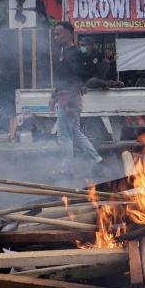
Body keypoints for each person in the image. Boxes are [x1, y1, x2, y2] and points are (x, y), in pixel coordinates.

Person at [48, 21, 107, 181]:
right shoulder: (63, 53)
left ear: (68, 34)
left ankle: (67, 172)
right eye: (55, 34)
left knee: (64, 136)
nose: (55, 37)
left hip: (70, 100)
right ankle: (98, 161)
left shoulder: (76, 54)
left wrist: (71, 104)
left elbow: (78, 79)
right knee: (76, 133)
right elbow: (62, 78)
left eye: (58, 34)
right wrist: (53, 96)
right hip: (64, 98)